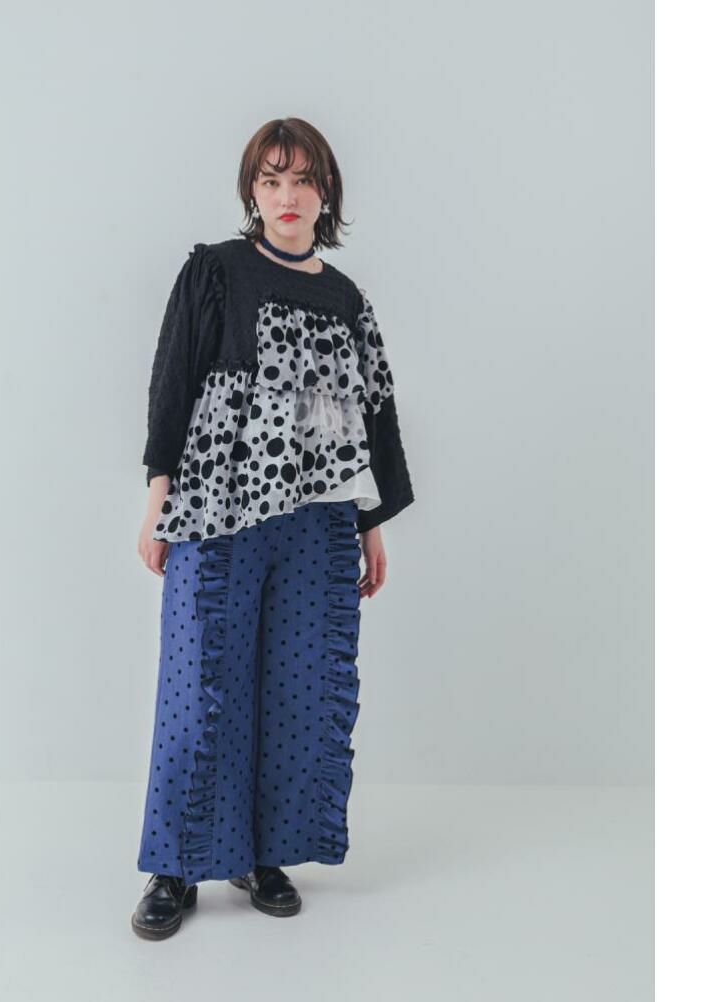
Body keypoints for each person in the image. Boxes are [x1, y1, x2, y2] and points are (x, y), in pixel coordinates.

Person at [131, 117, 415, 940]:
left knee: (297, 686)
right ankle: (174, 867)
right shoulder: (217, 271)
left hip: (318, 521)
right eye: (270, 179)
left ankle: (262, 856)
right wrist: (158, 499)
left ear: (326, 193)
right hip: (218, 505)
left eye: (302, 180)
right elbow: (173, 382)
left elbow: (366, 418)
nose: (287, 196)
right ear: (251, 191)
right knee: (199, 685)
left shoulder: (345, 299)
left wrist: (370, 525)